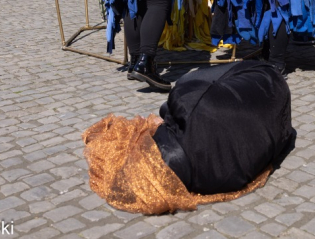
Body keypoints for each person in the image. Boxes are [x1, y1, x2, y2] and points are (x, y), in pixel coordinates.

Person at [82, 60, 295, 214]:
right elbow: (169, 108)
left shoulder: (217, 182)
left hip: (275, 104)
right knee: (186, 84)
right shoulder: (192, 104)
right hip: (263, 76)